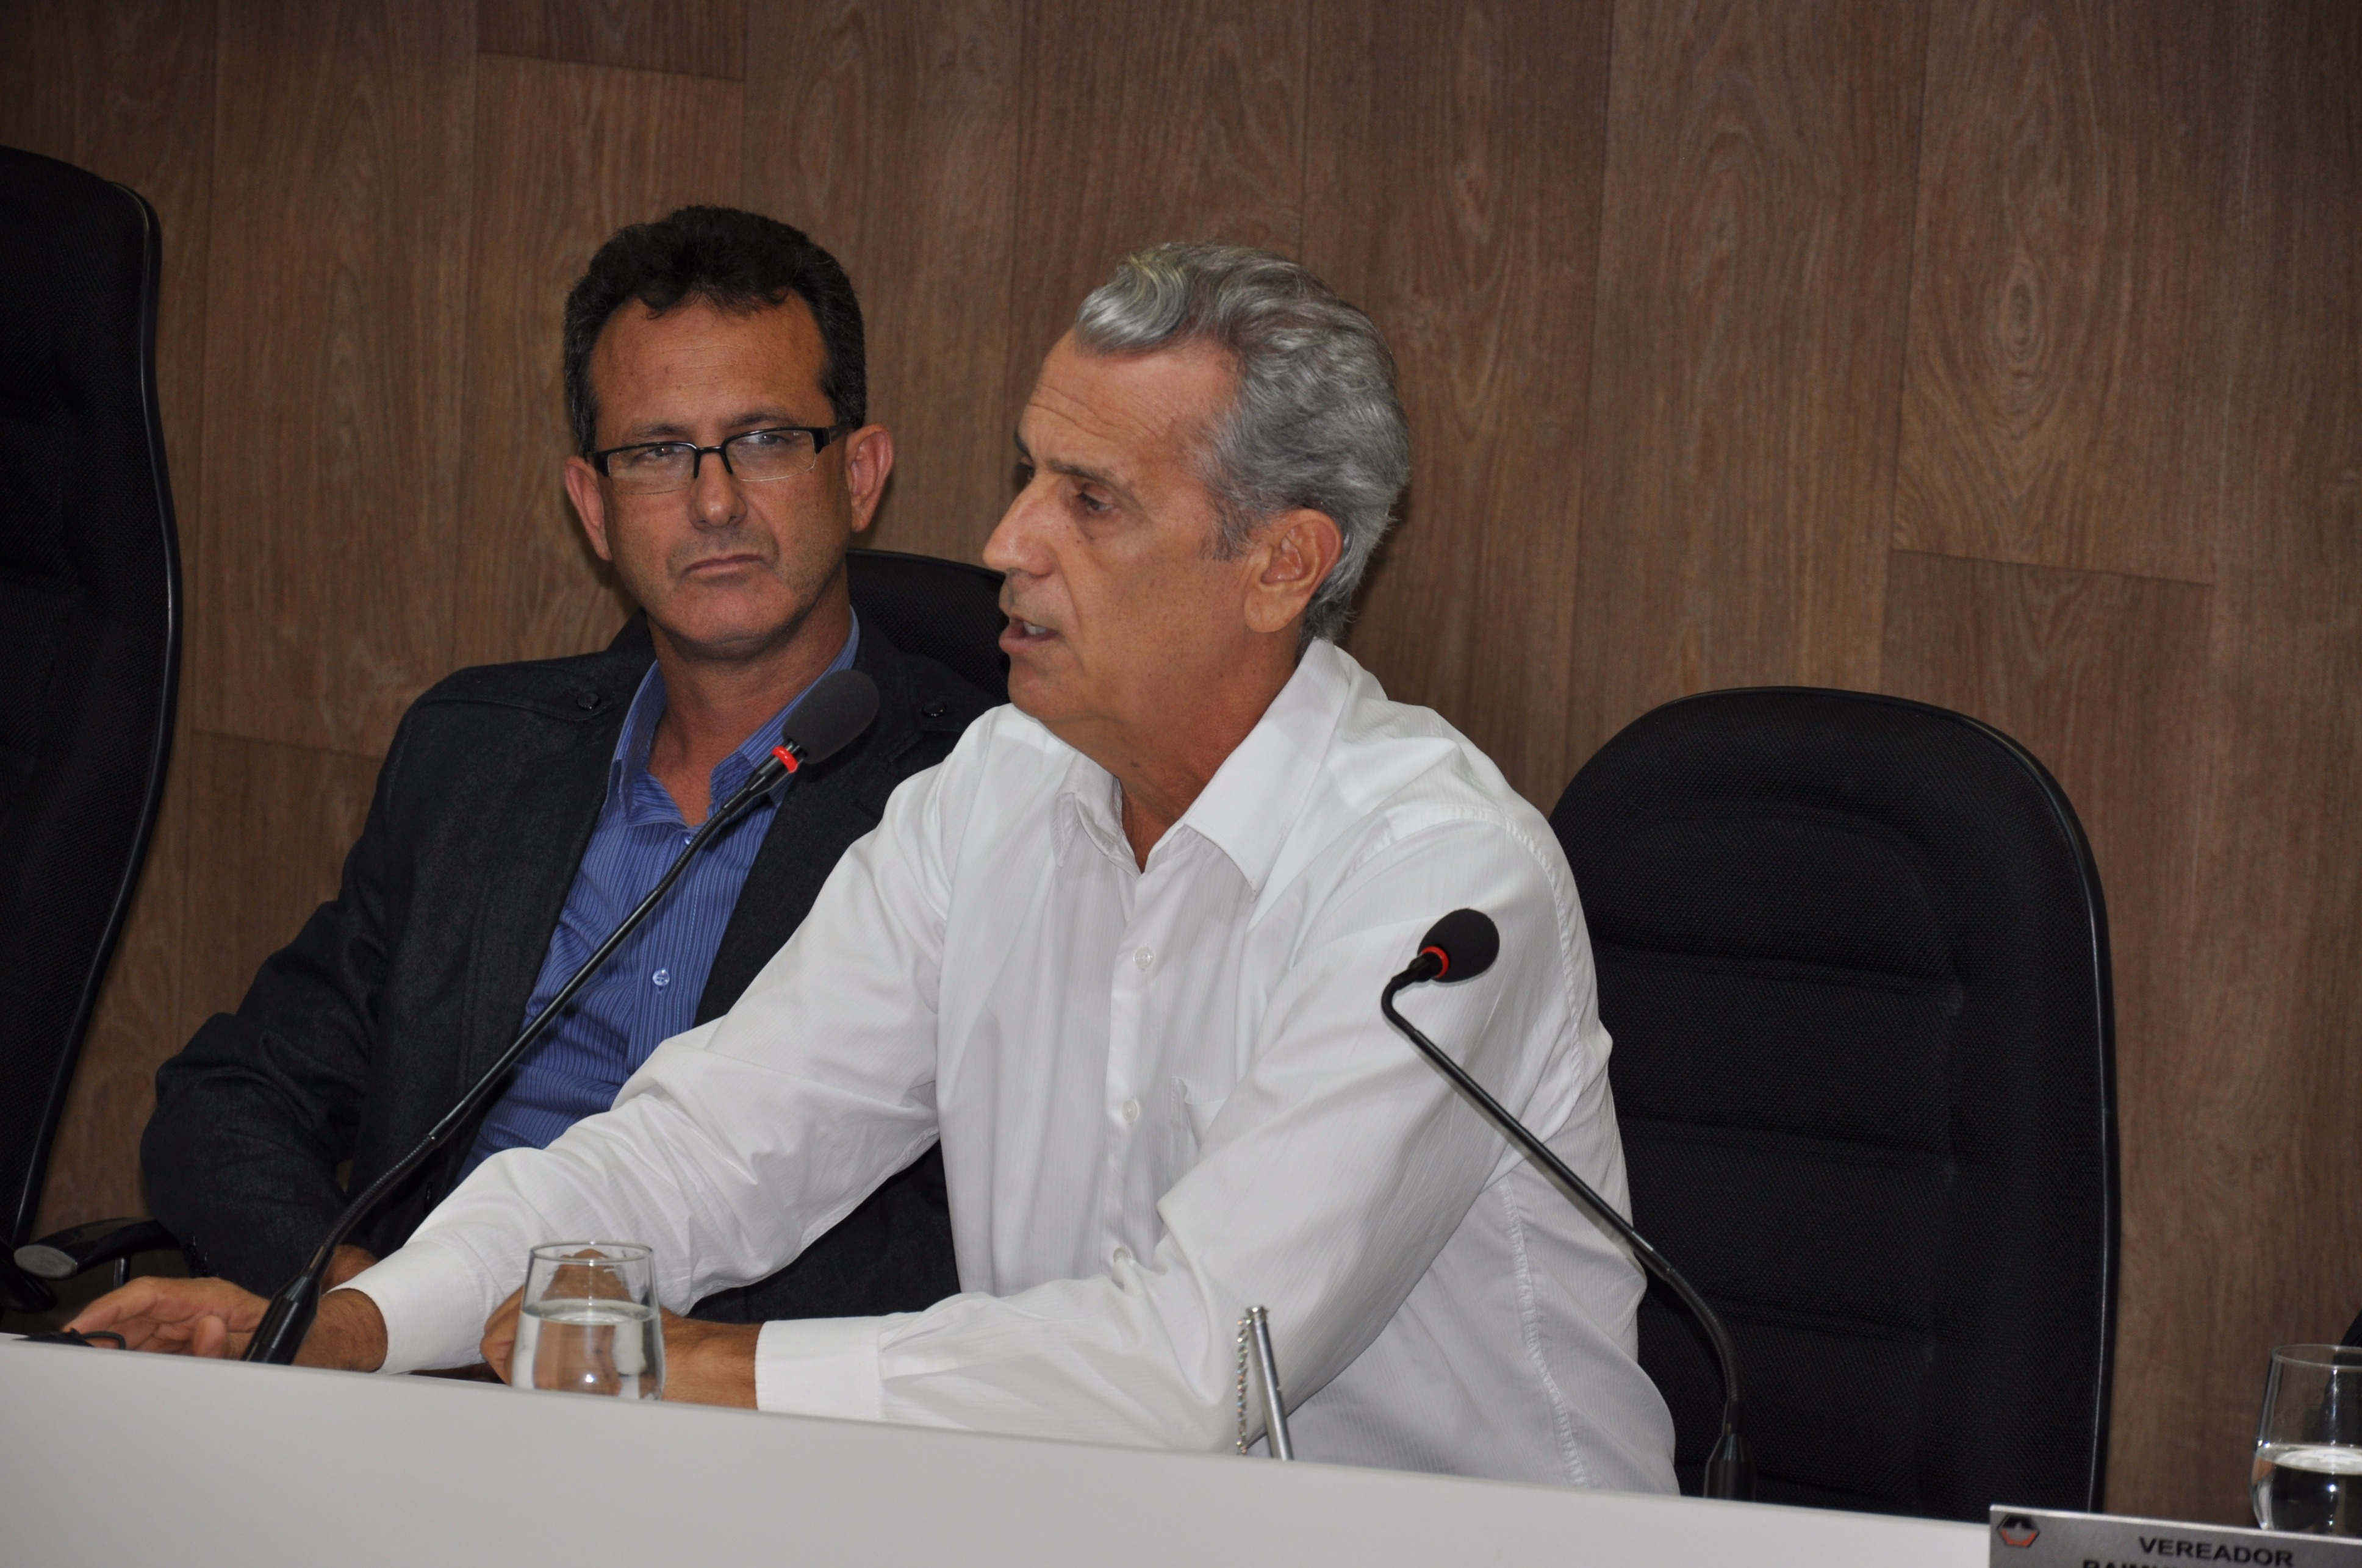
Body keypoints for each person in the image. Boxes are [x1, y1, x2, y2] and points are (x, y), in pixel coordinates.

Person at [84, 243, 1676, 1492]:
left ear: (1280, 565)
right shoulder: (997, 792)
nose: (1005, 541)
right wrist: (361, 1325)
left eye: (1088, 500)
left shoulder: (1439, 884)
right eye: (1028, 471)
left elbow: (1204, 1369)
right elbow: (708, 1146)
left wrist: (697, 1367)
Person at [134, 207, 990, 1325]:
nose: (716, 501)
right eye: (656, 453)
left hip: (731, 1409)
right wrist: (368, 1314)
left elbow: (960, 1241)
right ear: (593, 507)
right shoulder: (475, 758)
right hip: (407, 1380)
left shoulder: (981, 799)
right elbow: (229, 1101)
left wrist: (596, 1354)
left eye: (767, 439)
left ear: (861, 474)